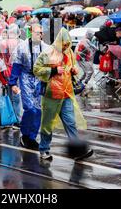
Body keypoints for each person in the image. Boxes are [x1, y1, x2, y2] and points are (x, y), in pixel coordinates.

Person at [33, 28, 93, 161]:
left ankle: (77, 151)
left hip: (66, 93)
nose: (66, 46)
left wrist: (74, 70)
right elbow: (36, 69)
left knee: (70, 122)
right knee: (47, 124)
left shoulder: (70, 52)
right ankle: (44, 149)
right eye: (64, 44)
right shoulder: (48, 52)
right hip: (51, 95)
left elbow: (72, 68)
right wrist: (53, 70)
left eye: (68, 44)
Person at [9, 24, 49, 150]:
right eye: (37, 32)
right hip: (26, 77)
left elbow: (49, 66)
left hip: (39, 79)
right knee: (30, 108)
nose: (40, 35)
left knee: (38, 110)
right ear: (31, 32)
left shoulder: (46, 48)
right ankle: (25, 133)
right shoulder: (22, 47)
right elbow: (16, 65)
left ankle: (32, 137)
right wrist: (13, 83)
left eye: (41, 33)